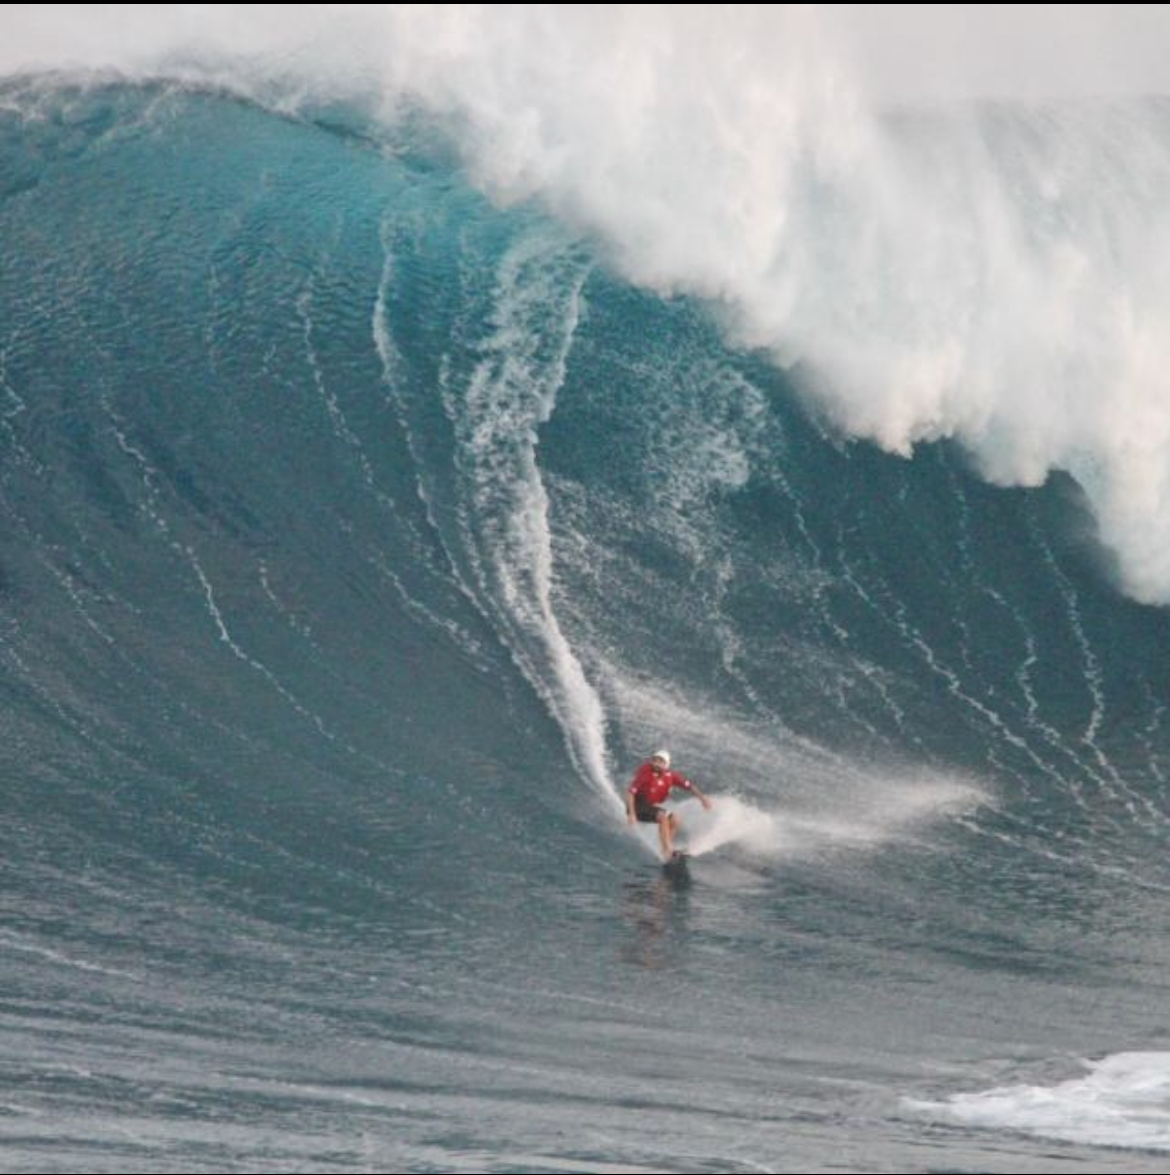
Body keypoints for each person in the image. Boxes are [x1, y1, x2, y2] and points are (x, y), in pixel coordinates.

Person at [625, 749, 711, 861]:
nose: (656, 764)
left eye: (660, 762)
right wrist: (632, 814)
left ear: (666, 764)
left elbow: (690, 786)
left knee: (675, 819)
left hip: (648, 807)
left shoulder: (670, 776)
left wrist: (703, 799)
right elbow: (630, 793)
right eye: (654, 760)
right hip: (636, 806)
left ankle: (665, 849)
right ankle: (668, 850)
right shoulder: (646, 774)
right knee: (662, 816)